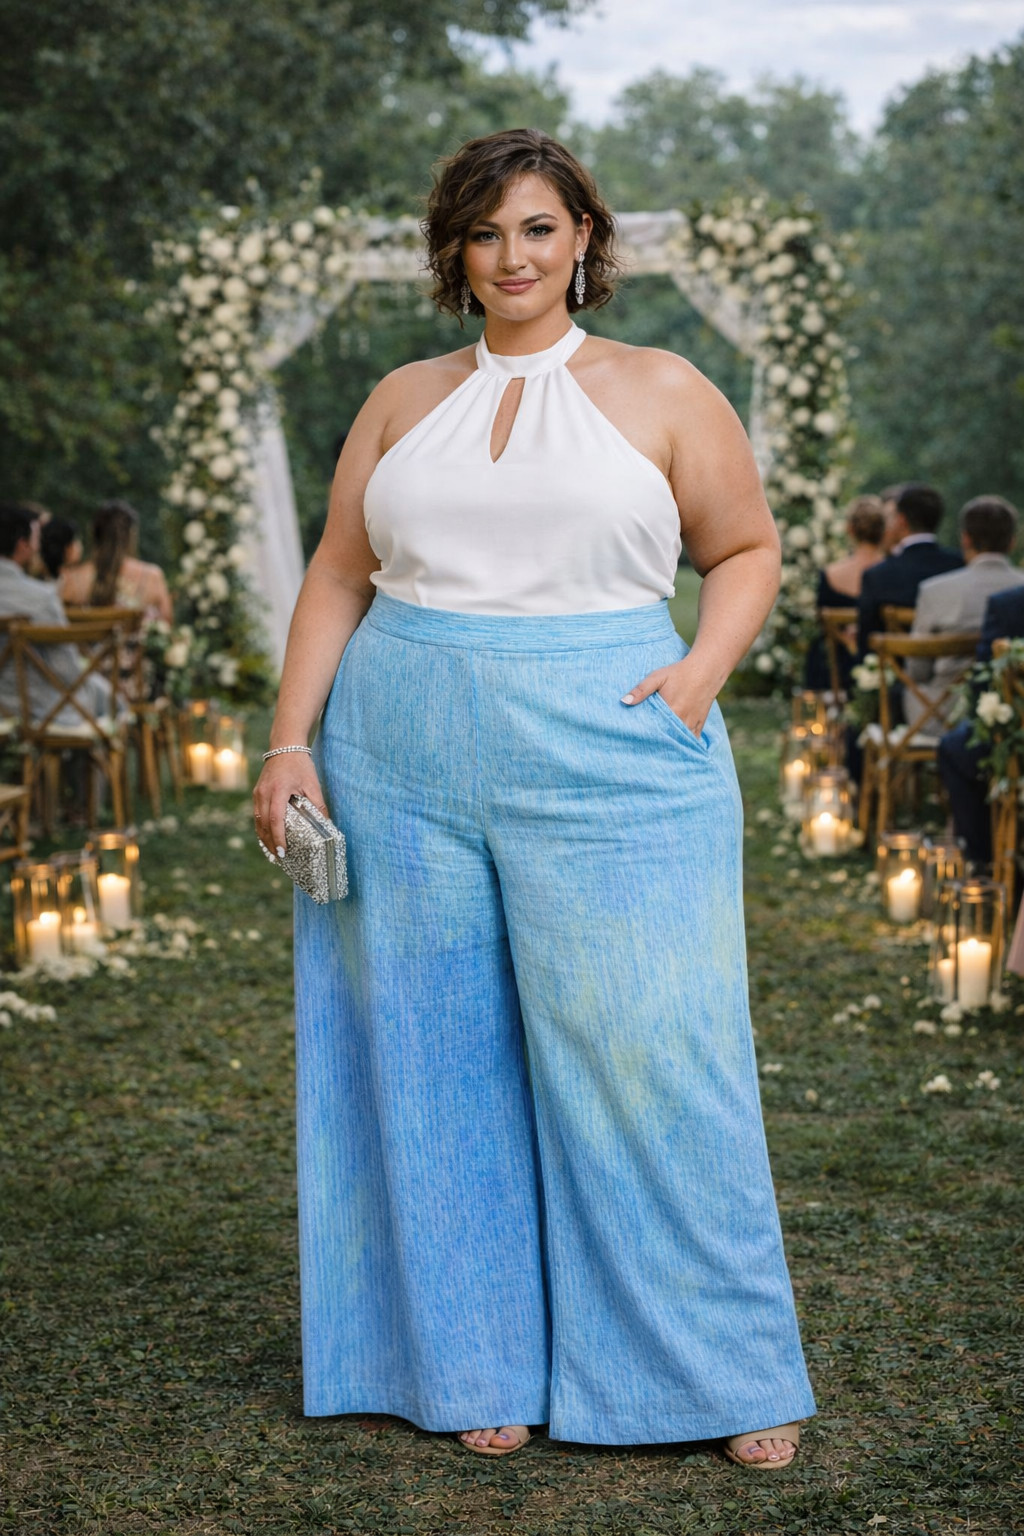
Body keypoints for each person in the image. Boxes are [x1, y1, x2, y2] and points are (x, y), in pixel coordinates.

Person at [253, 129, 815, 1469]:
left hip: (611, 740)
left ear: (583, 241)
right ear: (457, 250)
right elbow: (338, 570)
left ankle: (726, 1373)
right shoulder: (399, 397)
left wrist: (697, 675)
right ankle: (474, 1356)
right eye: (486, 232)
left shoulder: (665, 386)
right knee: (434, 1049)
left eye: (539, 229)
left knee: (650, 1049)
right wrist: (290, 742)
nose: (513, 256)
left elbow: (744, 549)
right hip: (400, 746)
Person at [904, 496, 1024, 730]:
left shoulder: (934, 591)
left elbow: (917, 670)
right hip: (1016, 716)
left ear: (966, 538)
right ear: (1012, 542)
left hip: (940, 716)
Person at [0, 502, 110, 728]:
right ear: (22, 546)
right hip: (38, 714)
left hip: (5, 714)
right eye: (36, 540)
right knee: (106, 702)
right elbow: (68, 671)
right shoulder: (41, 597)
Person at [939, 580, 1024, 864]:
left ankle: (985, 861)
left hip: (1019, 749)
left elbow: (982, 687)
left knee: (953, 749)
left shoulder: (1009, 605)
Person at [857, 483, 963, 656]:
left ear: (901, 520)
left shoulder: (877, 576)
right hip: (951, 674)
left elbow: (866, 645)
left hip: (897, 675)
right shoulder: (959, 565)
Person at [804, 495, 884, 690]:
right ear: (883, 530)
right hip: (881, 661)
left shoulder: (830, 574)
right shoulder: (891, 573)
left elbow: (822, 621)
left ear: (850, 529)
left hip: (835, 671)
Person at [61, 499, 173, 623]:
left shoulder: (70, 580)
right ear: (131, 536)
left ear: (94, 534)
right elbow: (166, 625)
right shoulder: (153, 576)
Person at [39, 518, 84, 585]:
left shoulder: (39, 579)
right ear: (68, 549)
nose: (79, 545)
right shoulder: (67, 588)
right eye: (75, 540)